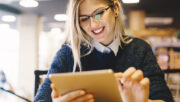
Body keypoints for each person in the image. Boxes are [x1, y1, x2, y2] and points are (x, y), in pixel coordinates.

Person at [34, 0, 174, 102]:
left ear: (115, 8)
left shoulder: (139, 49)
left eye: (98, 13)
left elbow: (164, 99)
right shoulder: (68, 53)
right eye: (84, 19)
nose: (94, 24)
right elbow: (41, 99)